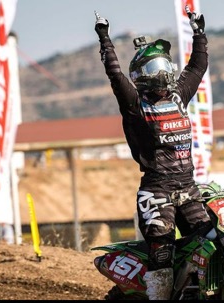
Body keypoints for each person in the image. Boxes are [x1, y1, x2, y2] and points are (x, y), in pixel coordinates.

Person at [94, 6, 212, 300]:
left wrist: (199, 33)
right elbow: (114, 73)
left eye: (162, 65)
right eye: (151, 69)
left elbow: (197, 67)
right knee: (162, 257)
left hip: (189, 187)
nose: (159, 73)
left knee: (212, 239)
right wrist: (104, 38)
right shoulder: (135, 104)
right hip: (156, 191)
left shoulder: (178, 95)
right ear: (139, 76)